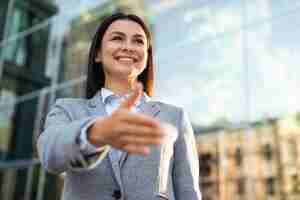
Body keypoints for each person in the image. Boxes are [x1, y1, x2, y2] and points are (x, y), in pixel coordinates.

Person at [37, 13, 201, 200]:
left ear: (147, 57)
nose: (128, 47)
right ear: (97, 53)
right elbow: (49, 154)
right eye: (117, 38)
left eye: (138, 41)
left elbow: (189, 192)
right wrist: (96, 133)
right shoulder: (68, 109)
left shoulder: (175, 116)